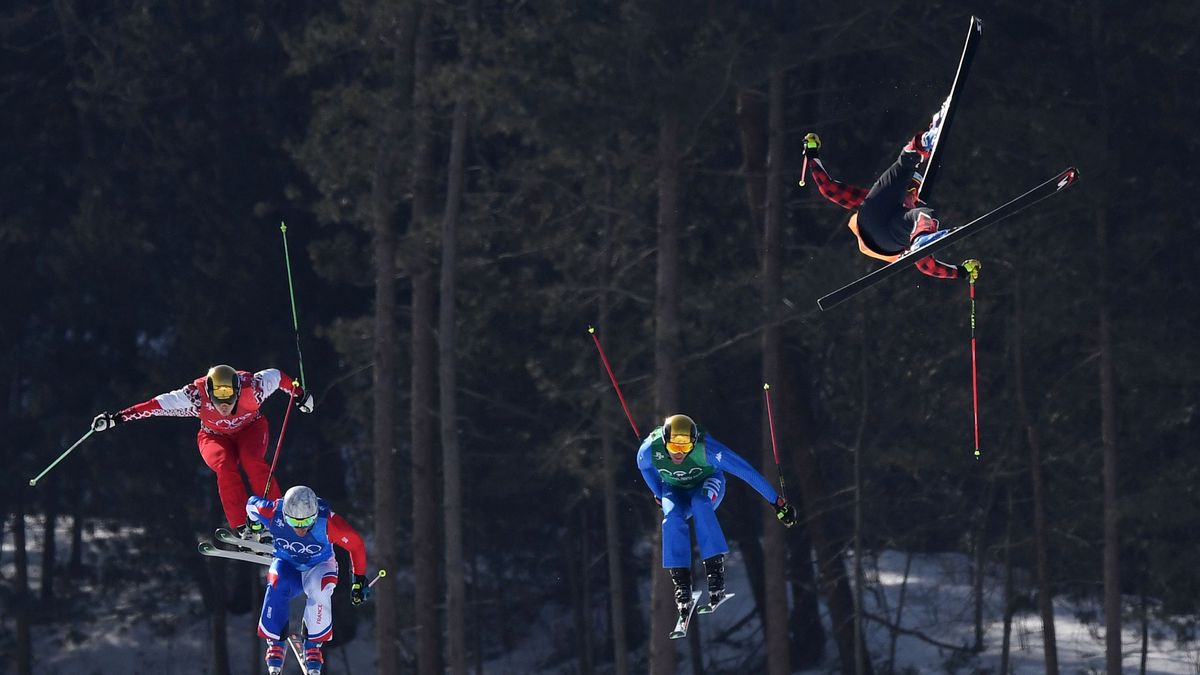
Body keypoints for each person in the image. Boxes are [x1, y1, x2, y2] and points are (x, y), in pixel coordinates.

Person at [90, 365, 314, 537]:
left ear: (238, 391)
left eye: (230, 399)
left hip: (251, 430)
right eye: (218, 400)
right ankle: (240, 526)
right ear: (209, 393)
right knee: (225, 467)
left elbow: (281, 377)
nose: (224, 406)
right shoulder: (195, 396)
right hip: (214, 436)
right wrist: (115, 418)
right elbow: (154, 405)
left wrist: (301, 395)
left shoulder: (253, 388)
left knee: (252, 461)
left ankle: (275, 518)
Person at [637, 414, 798, 620]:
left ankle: (715, 575)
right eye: (674, 446)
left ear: (694, 443)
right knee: (672, 519)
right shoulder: (650, 450)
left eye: (685, 447)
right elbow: (644, 468)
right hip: (674, 489)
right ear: (665, 441)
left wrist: (777, 503)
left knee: (701, 505)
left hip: (707, 483)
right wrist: (658, 493)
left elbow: (747, 472)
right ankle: (682, 585)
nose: (679, 453)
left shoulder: (708, 450)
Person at [803, 103, 982, 284]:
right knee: (906, 174)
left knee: (922, 215)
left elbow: (926, 265)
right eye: (910, 188)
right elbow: (830, 189)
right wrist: (812, 153)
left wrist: (960, 272)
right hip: (873, 223)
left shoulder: (915, 217)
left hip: (889, 240)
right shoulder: (894, 203)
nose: (910, 192)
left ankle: (924, 144)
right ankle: (926, 141)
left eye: (913, 189)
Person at [248, 485, 369, 675]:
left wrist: (359, 580)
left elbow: (356, 545)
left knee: (320, 588)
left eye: (307, 522)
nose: (301, 529)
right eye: (294, 523)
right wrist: (253, 523)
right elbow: (251, 505)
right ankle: (275, 642)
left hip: (319, 566)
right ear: (285, 515)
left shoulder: (328, 523)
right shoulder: (273, 513)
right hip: (288, 566)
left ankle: (313, 644)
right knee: (275, 583)